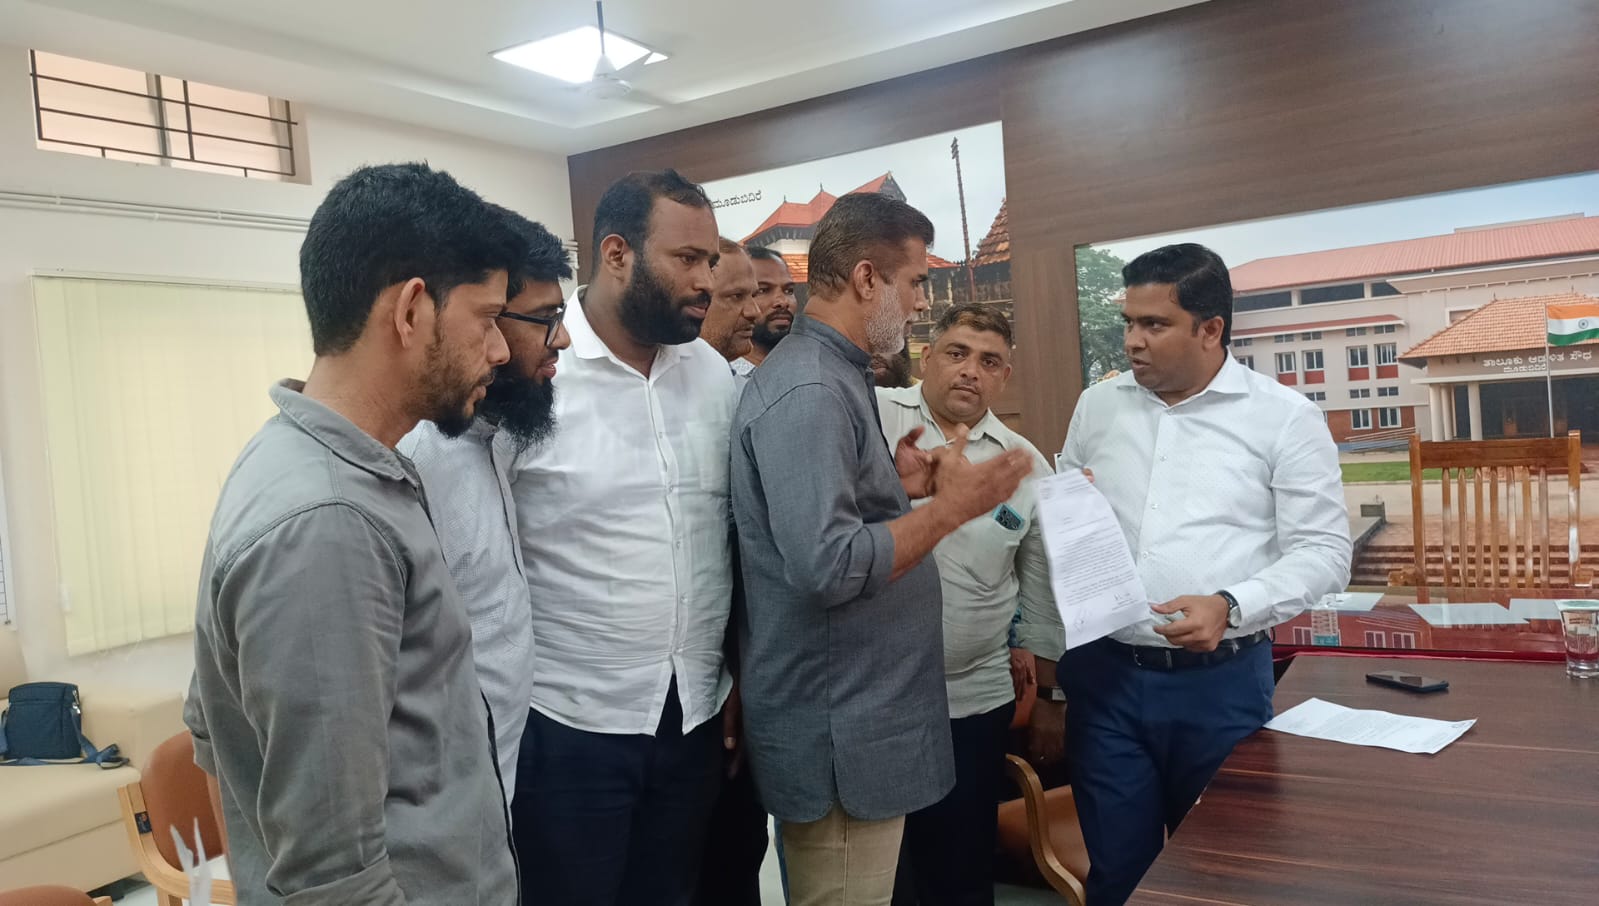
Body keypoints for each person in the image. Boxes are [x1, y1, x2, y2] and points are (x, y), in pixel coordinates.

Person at [184, 162, 524, 904]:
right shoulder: (328, 522)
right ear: (410, 311)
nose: (501, 351)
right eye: (487, 318)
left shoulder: (323, 466)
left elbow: (214, 739)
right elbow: (333, 878)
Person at [731, 191, 1034, 906]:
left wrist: (895, 487)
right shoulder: (811, 386)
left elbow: (820, 519)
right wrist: (953, 509)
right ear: (867, 279)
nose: (923, 303)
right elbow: (828, 565)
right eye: (916, 283)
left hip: (864, 725)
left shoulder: (836, 370)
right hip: (841, 734)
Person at [1056, 243, 1351, 904]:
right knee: (1118, 878)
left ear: (1210, 328)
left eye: (1153, 324)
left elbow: (1324, 551)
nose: (1132, 341)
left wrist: (1230, 603)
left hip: (1219, 686)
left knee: (1225, 875)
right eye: (1128, 322)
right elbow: (1071, 511)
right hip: (1106, 680)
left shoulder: (1284, 419)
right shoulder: (1097, 407)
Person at [508, 169, 736, 906]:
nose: (707, 281)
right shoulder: (536, 377)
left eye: (711, 261)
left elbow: (731, 540)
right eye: (687, 259)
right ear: (616, 254)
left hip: (694, 717)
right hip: (569, 726)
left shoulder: (711, 376)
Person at [877, 304, 1061, 906]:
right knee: (881, 875)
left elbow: (1039, 583)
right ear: (927, 356)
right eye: (957, 354)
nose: (970, 371)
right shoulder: (872, 417)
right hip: (875, 699)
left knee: (960, 870)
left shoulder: (1022, 463)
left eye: (988, 362)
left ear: (1004, 376)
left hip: (974, 698)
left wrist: (1045, 685)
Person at [396, 207, 572, 800]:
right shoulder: (415, 461)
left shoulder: (493, 437)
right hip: (440, 797)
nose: (562, 339)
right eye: (544, 319)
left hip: (500, 779)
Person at [700, 237, 761, 378]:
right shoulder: (658, 386)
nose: (755, 312)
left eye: (754, 295)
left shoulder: (749, 384)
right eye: (737, 296)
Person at [735, 246, 798, 379]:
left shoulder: (807, 372)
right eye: (763, 290)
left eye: (789, 290)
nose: (783, 302)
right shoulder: (719, 376)